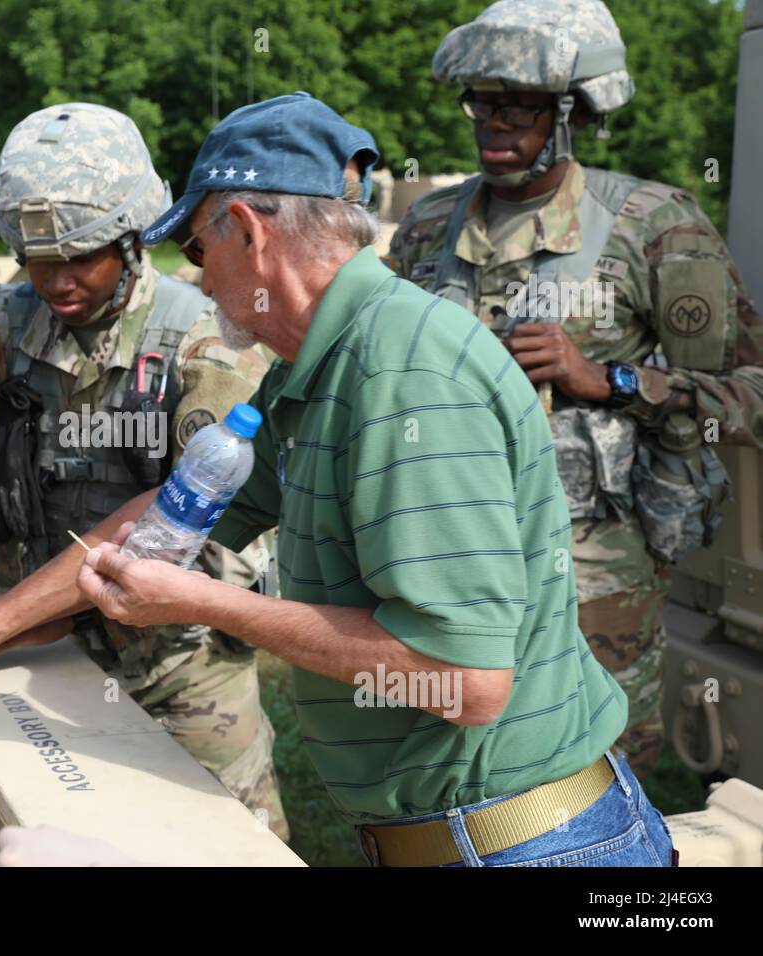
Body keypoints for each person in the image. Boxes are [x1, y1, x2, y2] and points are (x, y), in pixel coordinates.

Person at [65, 90, 674, 867]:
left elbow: (464, 677)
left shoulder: (404, 373)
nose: (201, 280)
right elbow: (179, 514)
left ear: (247, 232)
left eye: (194, 249)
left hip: (526, 848)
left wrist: (201, 601)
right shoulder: (317, 364)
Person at [0, 102, 288, 839]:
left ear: (132, 239)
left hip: (179, 664)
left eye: (79, 257)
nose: (56, 282)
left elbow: (203, 522)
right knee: (33, 837)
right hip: (33, 655)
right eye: (37, 260)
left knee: (228, 844)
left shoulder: (204, 339)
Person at [386, 0, 763, 779]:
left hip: (595, 577)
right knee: (447, 766)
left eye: (517, 104)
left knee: (595, 775)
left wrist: (614, 380)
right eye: (481, 103)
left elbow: (753, 388)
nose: (493, 123)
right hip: (442, 557)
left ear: (572, 113)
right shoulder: (426, 230)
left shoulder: (653, 226)